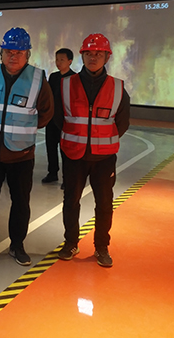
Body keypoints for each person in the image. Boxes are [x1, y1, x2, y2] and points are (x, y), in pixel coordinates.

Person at [0, 27, 53, 266]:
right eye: (9, 51)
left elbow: (46, 112)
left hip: (21, 154)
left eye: (19, 52)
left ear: (27, 54)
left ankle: (17, 245)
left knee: (20, 202)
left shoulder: (38, 78)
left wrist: (22, 129)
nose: (13, 56)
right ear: (1, 53)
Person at [55, 33, 130, 268]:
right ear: (82, 56)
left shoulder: (118, 87)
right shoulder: (66, 85)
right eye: (88, 53)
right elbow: (58, 118)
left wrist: (101, 140)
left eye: (98, 53)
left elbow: (122, 122)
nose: (93, 57)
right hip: (73, 154)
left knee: (105, 204)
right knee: (71, 201)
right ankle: (70, 243)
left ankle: (101, 247)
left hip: (104, 158)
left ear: (107, 57)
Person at [42, 48, 75, 185]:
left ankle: (67, 177)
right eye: (57, 60)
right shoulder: (54, 77)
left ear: (70, 61)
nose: (58, 62)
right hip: (51, 118)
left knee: (65, 149)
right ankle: (52, 173)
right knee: (50, 146)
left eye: (62, 60)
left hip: (65, 119)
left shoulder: (74, 78)